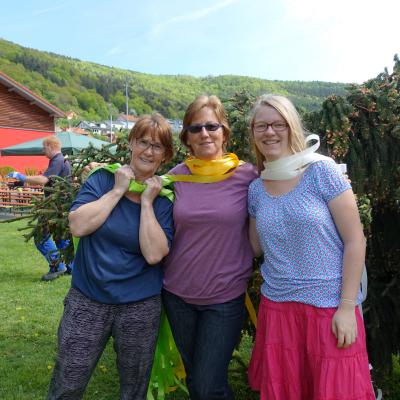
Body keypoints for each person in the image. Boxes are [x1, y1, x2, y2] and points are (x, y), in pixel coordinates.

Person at [247, 94, 375, 399]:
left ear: (292, 127)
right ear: (253, 133)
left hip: (329, 306)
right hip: (278, 308)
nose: (269, 132)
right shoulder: (255, 189)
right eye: (261, 125)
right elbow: (254, 247)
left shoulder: (321, 172)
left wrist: (347, 307)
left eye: (278, 124)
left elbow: (355, 240)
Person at [47, 114, 175, 400]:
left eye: (157, 146)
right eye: (143, 142)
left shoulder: (164, 198)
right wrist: (117, 191)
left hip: (139, 306)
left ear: (165, 155)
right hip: (87, 299)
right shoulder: (103, 179)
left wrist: (146, 204)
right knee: (68, 382)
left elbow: (154, 254)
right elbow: (78, 226)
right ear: (131, 144)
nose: (148, 151)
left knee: (134, 388)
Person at [161, 95, 258, 400]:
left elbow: (283, 192)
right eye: (195, 128)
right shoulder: (175, 177)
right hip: (177, 294)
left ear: (224, 132)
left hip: (224, 297)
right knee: (196, 379)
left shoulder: (247, 175)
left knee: (207, 385)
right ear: (187, 138)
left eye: (211, 126)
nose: (204, 133)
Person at [7, 136, 73, 281]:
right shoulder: (63, 160)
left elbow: (43, 180)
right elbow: (49, 182)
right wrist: (20, 184)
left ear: (50, 146)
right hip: (62, 206)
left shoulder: (57, 160)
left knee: (41, 237)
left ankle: (57, 266)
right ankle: (71, 267)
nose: (43, 151)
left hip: (53, 207)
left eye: (44, 148)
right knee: (62, 237)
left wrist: (21, 176)